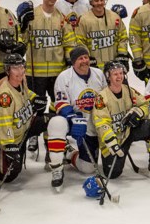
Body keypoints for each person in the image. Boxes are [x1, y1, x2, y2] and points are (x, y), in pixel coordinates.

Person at [16, 0, 75, 156]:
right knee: (36, 107)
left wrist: (69, 61)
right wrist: (23, 27)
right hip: (36, 73)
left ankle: (53, 136)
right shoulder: (31, 16)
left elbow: (69, 41)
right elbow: (22, 41)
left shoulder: (62, 17)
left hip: (57, 73)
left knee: (56, 107)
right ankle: (33, 135)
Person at [92, 59, 150, 180]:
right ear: (108, 77)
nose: (119, 76)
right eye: (115, 74)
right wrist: (112, 142)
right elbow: (101, 123)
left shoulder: (129, 91)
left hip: (129, 131)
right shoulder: (101, 97)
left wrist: (137, 113)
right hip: (114, 140)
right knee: (113, 174)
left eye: (121, 73)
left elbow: (146, 105)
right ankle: (120, 153)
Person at [46, 46, 107, 190]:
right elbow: (60, 103)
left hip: (94, 122)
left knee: (87, 168)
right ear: (73, 62)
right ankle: (56, 168)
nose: (84, 61)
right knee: (56, 123)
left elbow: (106, 97)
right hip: (71, 118)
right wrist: (73, 117)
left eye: (86, 57)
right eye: (80, 58)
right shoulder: (64, 77)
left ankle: (69, 152)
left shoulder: (99, 74)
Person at [0, 53, 48, 183]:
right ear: (7, 70)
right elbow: (2, 122)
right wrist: (8, 144)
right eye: (15, 68)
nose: (20, 71)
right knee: (9, 176)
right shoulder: (4, 96)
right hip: (13, 139)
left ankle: (55, 158)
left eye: (22, 66)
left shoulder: (21, 81)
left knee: (54, 121)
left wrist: (35, 99)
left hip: (26, 126)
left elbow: (26, 93)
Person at [74, 0, 130, 70]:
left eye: (102, 0)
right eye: (96, 1)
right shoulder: (83, 20)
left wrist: (122, 54)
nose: (99, 3)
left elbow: (123, 37)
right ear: (91, 2)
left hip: (113, 67)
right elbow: (80, 41)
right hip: (93, 68)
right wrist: (87, 57)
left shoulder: (115, 17)